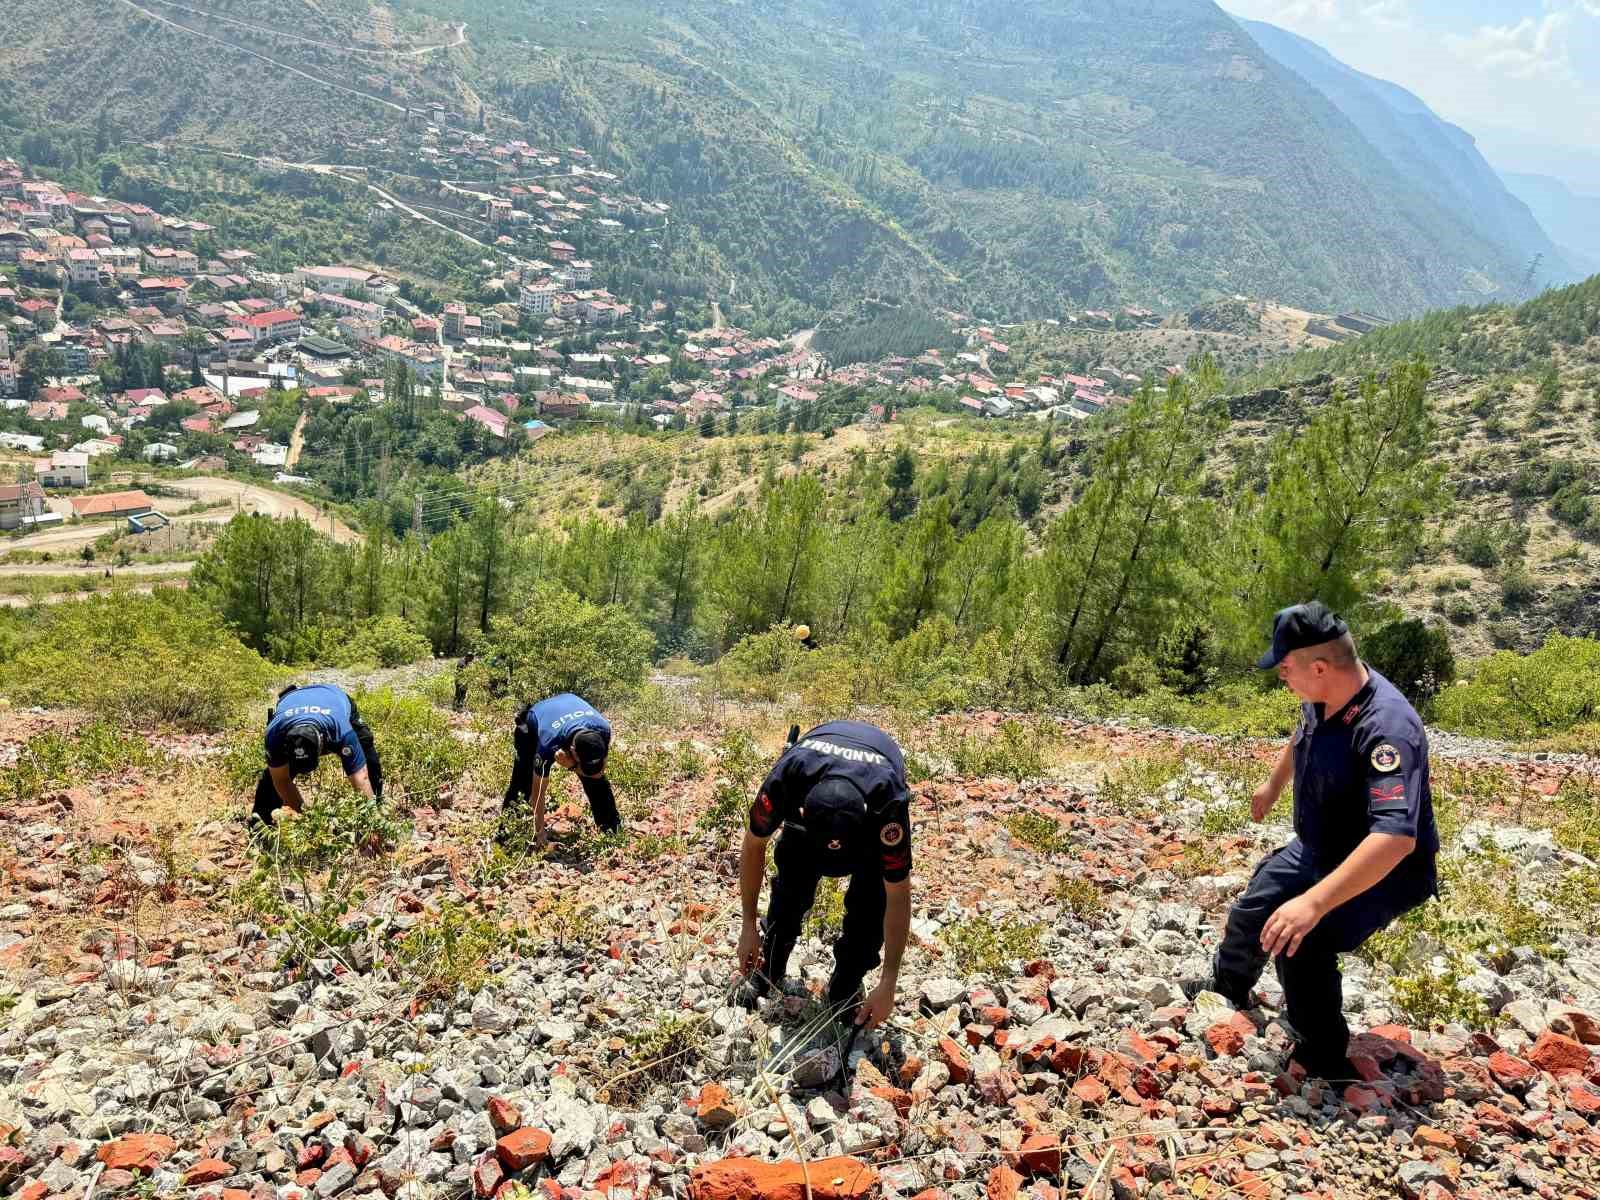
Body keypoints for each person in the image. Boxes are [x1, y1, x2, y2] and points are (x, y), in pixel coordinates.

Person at [1188, 602, 1439, 1080]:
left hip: (1386, 867)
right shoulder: (1325, 693)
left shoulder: (1387, 727)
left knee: (1303, 939)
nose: (1280, 675)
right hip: (1321, 845)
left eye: (1285, 667)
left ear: (1319, 667)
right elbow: (1301, 733)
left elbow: (1394, 839)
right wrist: (1274, 784)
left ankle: (1322, 1056)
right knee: (1256, 904)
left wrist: (1315, 903)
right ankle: (1227, 991)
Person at [735, 720, 913, 1029]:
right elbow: (753, 845)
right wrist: (748, 925)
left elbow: (897, 894)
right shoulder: (787, 780)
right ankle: (770, 965)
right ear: (801, 812)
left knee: (870, 905)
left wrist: (888, 982)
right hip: (808, 813)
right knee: (791, 883)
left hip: (868, 808)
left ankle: (845, 987)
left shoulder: (887, 804)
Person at [253, 683, 383, 825]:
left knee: (367, 754)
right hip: (291, 699)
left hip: (332, 696)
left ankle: (377, 806)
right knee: (271, 779)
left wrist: (371, 824)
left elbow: (361, 778)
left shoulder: (341, 731)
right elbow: (280, 780)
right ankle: (260, 824)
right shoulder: (275, 735)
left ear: (324, 744)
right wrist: (305, 821)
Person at [501, 692, 618, 848]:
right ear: (572, 751)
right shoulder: (549, 743)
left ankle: (611, 830)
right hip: (533, 725)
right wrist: (540, 832)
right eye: (581, 762)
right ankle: (506, 836)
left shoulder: (603, 731)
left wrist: (572, 766)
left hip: (568, 707)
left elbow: (598, 773)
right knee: (522, 784)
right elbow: (538, 794)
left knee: (596, 783)